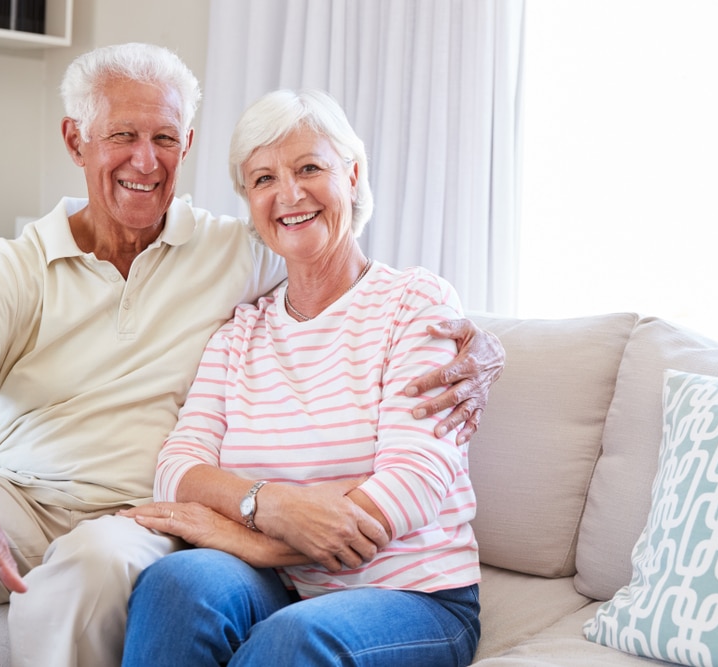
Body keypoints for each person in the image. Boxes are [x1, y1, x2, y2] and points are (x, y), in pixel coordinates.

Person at [0, 44, 501, 667]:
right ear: (75, 140)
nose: (146, 160)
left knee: (106, 563)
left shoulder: (234, 252)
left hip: (140, 518)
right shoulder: (24, 269)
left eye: (164, 139)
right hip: (28, 497)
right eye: (122, 136)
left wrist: (482, 340)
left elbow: (339, 262)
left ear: (187, 145)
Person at [119, 89, 486, 667]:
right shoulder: (240, 330)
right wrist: (272, 504)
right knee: (177, 582)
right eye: (263, 179)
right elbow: (177, 468)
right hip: (284, 590)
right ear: (250, 202)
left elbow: (414, 480)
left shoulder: (416, 302)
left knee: (292, 641)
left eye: (310, 168)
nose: (288, 194)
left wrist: (255, 542)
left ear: (354, 175)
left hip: (411, 595)